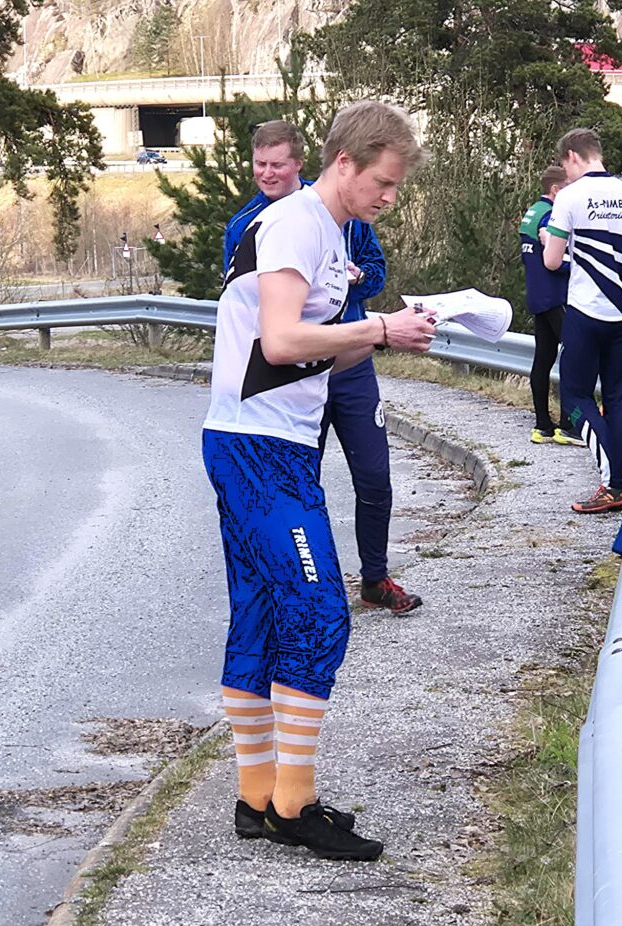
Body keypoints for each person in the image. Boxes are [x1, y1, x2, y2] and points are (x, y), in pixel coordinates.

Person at [203, 101, 434, 862]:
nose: (388, 198)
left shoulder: (329, 233)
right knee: (321, 612)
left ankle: (257, 797)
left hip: (274, 441)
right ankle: (294, 806)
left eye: (395, 188)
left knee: (262, 614)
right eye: (383, 183)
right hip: (257, 447)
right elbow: (280, 340)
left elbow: (314, 354)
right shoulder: (296, 224)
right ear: (345, 162)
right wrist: (377, 327)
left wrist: (398, 332)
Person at [223, 122, 422, 615]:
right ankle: (311, 576)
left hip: (347, 363)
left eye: (278, 164)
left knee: (374, 477)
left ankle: (374, 577)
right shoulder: (254, 223)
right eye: (260, 165)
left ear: (300, 165)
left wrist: (357, 284)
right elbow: (260, 323)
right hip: (281, 391)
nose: (268, 173)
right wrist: (378, 328)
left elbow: (375, 271)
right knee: (302, 497)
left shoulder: (343, 214)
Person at [543, 128, 622, 513]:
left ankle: (614, 484)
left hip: (587, 310)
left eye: (564, 164)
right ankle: (618, 484)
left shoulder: (570, 196)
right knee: (616, 398)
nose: (565, 172)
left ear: (572, 156)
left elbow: (551, 261)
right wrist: (617, 251)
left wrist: (557, 242)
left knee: (575, 397)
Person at [519, 165, 583, 447]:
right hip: (557, 296)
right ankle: (568, 426)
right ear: (556, 190)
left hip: (538, 296)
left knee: (543, 360)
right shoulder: (550, 215)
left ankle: (542, 426)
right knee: (576, 356)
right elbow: (553, 256)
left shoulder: (532, 212)